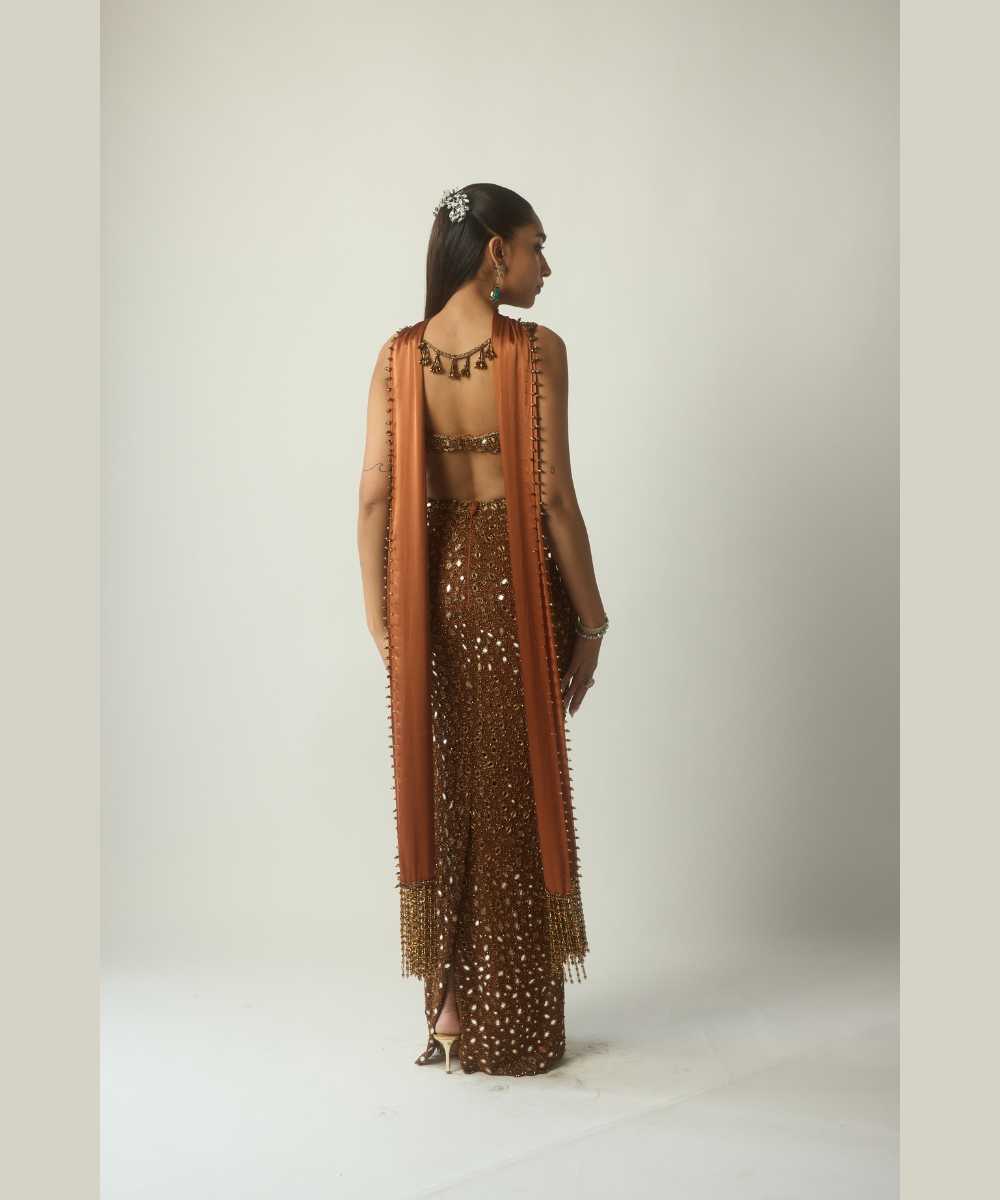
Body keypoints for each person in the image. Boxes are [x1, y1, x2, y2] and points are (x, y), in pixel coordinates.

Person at [357, 183, 609, 1076]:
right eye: (537, 245)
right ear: (496, 252)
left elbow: (376, 498)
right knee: (511, 798)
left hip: (430, 588)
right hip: (513, 589)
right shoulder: (534, 352)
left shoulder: (399, 358)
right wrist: (592, 621)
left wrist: (384, 625)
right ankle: (513, 1021)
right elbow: (554, 500)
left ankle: (453, 1008)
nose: (547, 266)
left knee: (451, 788)